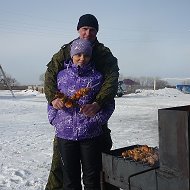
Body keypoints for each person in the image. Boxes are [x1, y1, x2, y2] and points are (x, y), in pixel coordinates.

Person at [44, 14, 120, 190]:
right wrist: (53, 101)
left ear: (96, 32)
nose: (87, 33)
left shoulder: (103, 54)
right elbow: (50, 77)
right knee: (61, 167)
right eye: (84, 29)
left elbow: (111, 81)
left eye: (92, 30)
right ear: (78, 30)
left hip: (93, 117)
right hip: (66, 125)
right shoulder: (65, 51)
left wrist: (99, 104)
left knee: (99, 163)